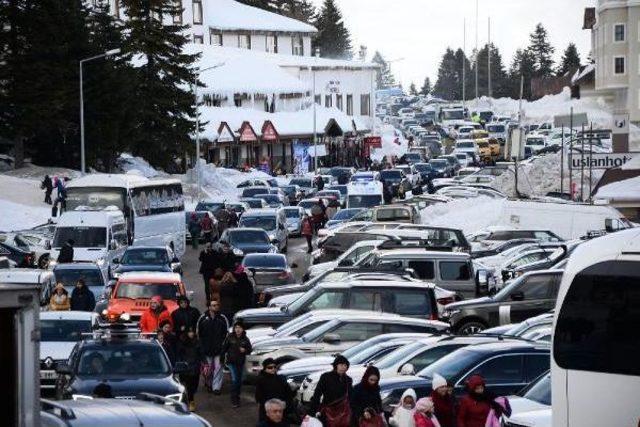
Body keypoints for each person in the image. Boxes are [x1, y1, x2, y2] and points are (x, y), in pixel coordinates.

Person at [309, 355, 353, 427]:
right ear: (336, 366)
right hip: (327, 411)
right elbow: (317, 394)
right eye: (341, 365)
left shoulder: (348, 380)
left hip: (342, 413)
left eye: (345, 365)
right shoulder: (326, 377)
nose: (343, 367)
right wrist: (313, 410)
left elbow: (351, 397)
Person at [197, 300, 229, 394]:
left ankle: (216, 387)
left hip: (219, 349)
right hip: (207, 348)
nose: (216, 307)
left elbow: (226, 333)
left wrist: (223, 345)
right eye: (214, 305)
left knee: (218, 368)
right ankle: (209, 384)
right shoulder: (203, 318)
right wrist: (201, 346)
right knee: (208, 369)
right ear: (209, 307)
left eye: (217, 305)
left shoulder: (222, 318)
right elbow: (199, 333)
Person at [220, 321, 252, 408]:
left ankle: (237, 397)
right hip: (231, 362)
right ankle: (234, 400)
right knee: (234, 380)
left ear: (242, 329)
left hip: (241, 362)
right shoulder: (230, 337)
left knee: (239, 381)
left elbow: (250, 349)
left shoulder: (245, 339)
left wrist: (244, 350)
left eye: (239, 328)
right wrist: (222, 358)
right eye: (236, 327)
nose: (238, 329)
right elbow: (224, 348)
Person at [255, 358, 295, 422]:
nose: (273, 369)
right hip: (268, 410)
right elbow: (259, 397)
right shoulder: (261, 380)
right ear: (265, 368)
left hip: (281, 409)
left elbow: (288, 393)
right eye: (270, 367)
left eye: (274, 367)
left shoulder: (280, 378)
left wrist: (285, 404)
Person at [177, 327, 204, 411]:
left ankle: (190, 397)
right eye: (189, 332)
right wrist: (181, 363)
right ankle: (191, 402)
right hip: (186, 367)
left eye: (192, 332)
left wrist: (204, 362)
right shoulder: (183, 342)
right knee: (189, 386)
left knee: (195, 385)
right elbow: (179, 354)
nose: (191, 334)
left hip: (195, 366)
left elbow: (201, 353)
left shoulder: (198, 342)